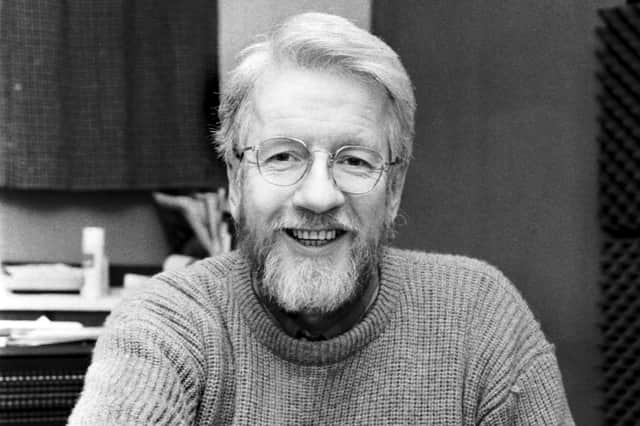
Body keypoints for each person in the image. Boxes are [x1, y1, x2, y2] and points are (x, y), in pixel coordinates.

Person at [69, 12, 574, 425]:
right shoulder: (167, 325)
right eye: (283, 157)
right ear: (236, 181)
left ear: (393, 190)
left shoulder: (481, 320)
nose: (318, 195)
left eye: (355, 160)